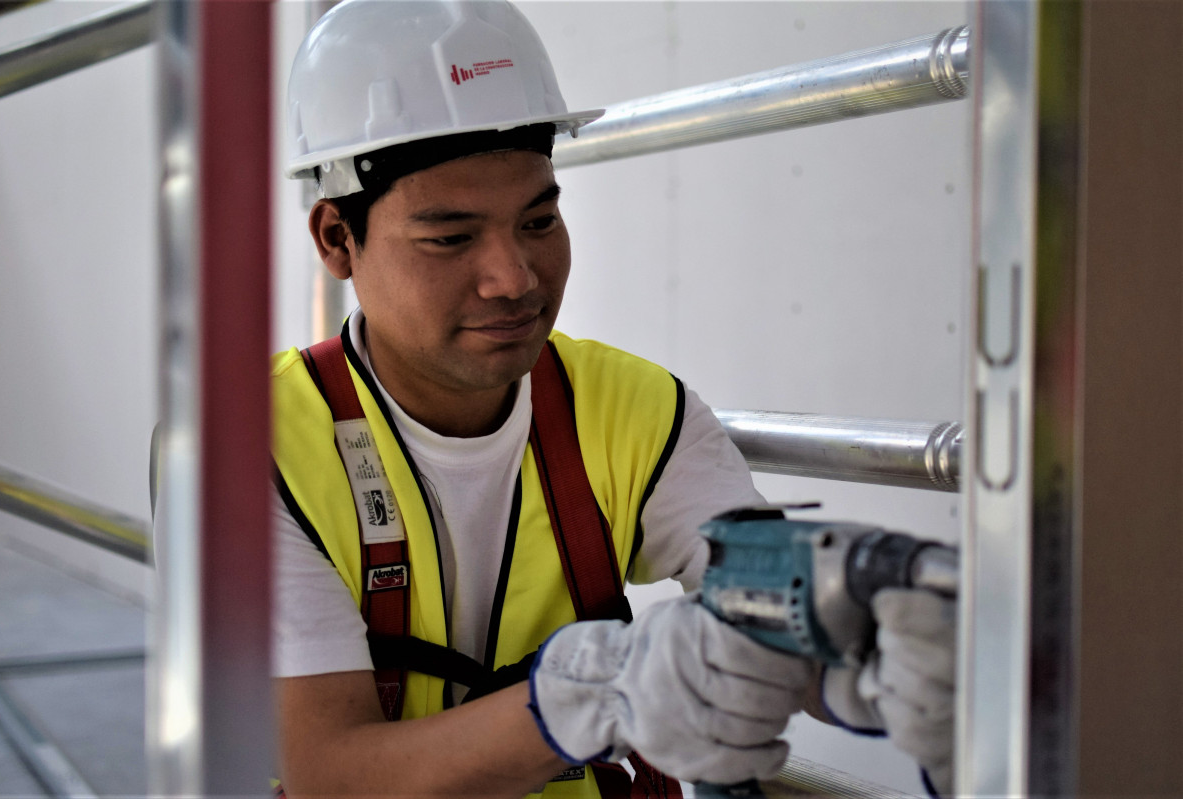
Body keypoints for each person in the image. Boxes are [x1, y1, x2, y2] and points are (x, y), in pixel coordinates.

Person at [266, 1, 956, 796]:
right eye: (451, 238)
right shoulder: (258, 451)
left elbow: (755, 587)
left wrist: (856, 647)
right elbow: (331, 774)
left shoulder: (634, 408)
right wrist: (591, 694)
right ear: (335, 239)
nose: (514, 277)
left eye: (539, 219)